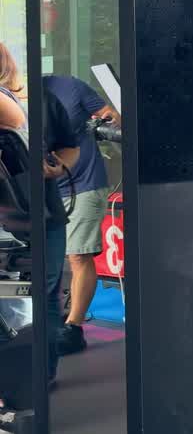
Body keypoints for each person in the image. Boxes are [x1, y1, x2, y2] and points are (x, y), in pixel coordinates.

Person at [0, 43, 81, 382]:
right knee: (23, 296)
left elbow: (70, 147)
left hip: (40, 213)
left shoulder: (37, 101)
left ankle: (40, 373)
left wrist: (59, 167)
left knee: (42, 295)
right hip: (15, 217)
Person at [45, 74, 118, 355]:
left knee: (78, 255)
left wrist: (109, 119)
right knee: (51, 259)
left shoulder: (70, 86)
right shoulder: (14, 100)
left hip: (84, 184)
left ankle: (73, 328)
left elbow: (109, 115)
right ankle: (54, 320)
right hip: (44, 190)